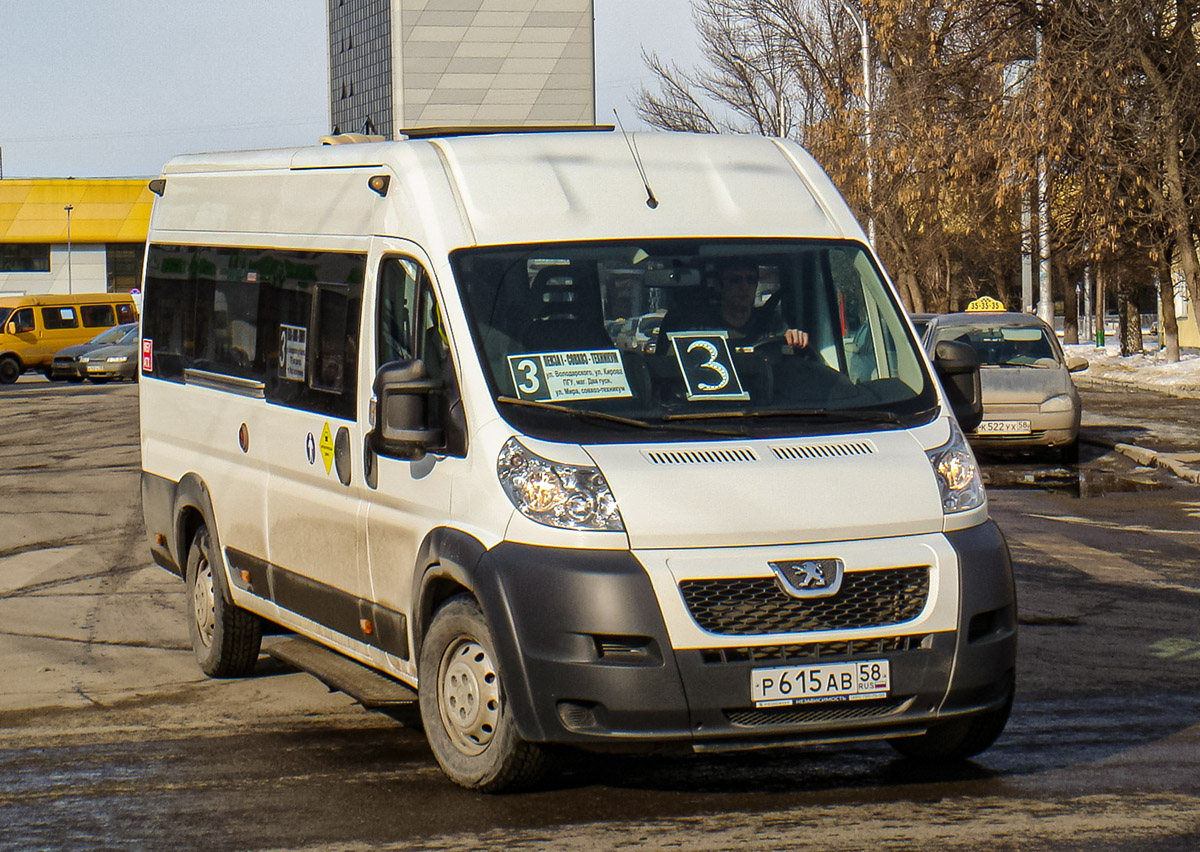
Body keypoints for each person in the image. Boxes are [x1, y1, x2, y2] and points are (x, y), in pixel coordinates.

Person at [710, 261, 809, 348]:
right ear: (718, 286)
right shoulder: (704, 325)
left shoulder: (772, 322)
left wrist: (795, 337)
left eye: (750, 280)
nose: (744, 287)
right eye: (735, 280)